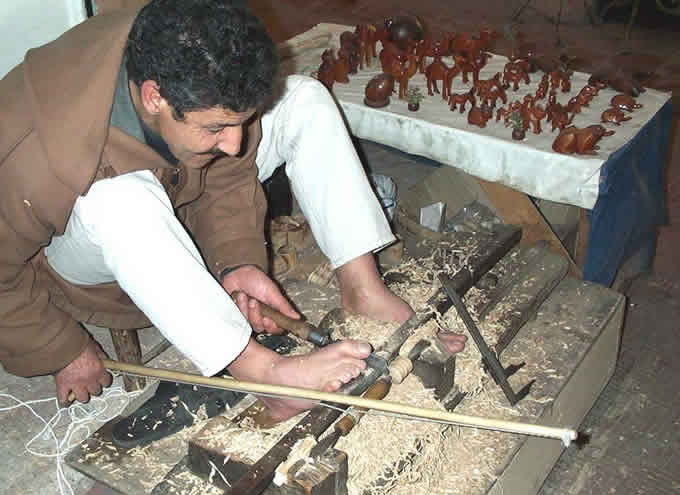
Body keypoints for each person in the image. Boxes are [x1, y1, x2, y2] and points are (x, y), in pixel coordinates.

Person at [0, 0, 466, 423]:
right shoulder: (31, 151)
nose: (237, 143)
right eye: (219, 127)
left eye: (239, 123)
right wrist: (59, 347)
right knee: (121, 200)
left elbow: (224, 170)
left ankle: (363, 289)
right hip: (76, 250)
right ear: (153, 97)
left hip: (176, 188)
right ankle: (265, 374)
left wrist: (236, 260)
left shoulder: (188, 47)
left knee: (303, 97)